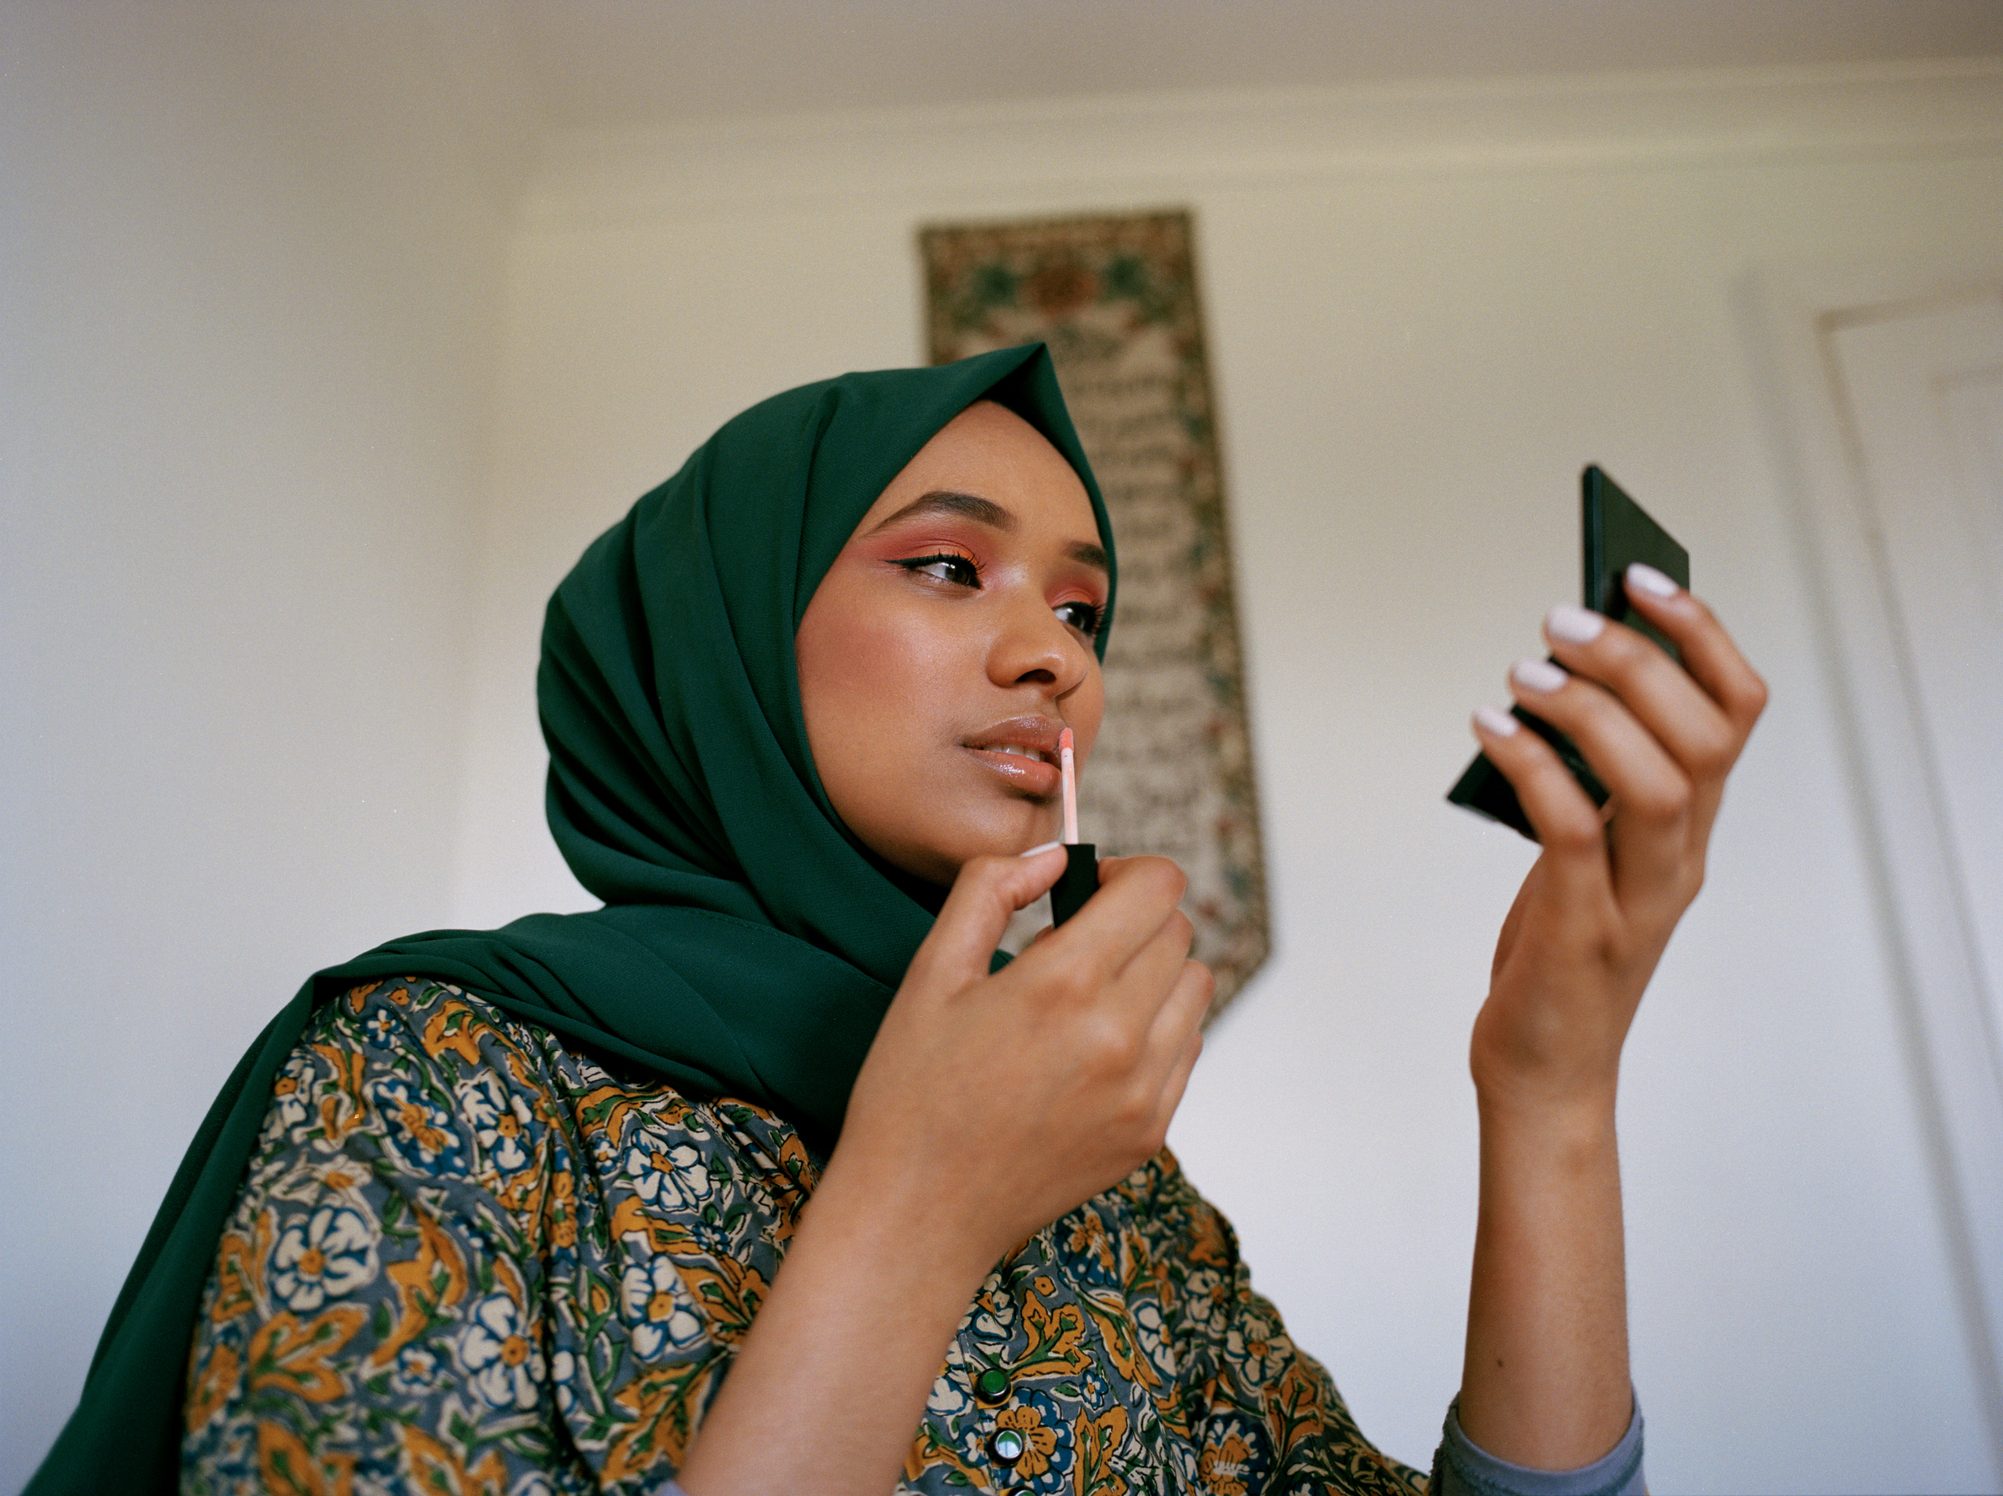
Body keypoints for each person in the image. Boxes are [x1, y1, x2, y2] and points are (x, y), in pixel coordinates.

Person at [27, 341, 1767, 1495]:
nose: (1056, 657)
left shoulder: (1114, 1192)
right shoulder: (439, 1069)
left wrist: (1550, 1089)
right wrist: (916, 1212)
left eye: (1085, 608)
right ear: (720, 640)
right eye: (952, 567)